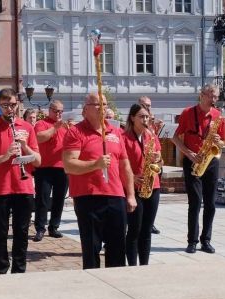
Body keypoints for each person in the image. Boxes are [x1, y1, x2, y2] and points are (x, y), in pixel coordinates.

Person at [62, 92, 137, 269]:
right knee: (91, 248)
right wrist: (95, 164)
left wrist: (131, 194)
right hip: (88, 196)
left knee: (118, 248)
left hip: (115, 195)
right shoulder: (75, 132)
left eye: (104, 104)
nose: (102, 108)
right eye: (97, 105)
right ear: (85, 109)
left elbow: (125, 166)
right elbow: (69, 165)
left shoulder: (116, 132)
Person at [0, 88, 41, 274]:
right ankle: (1, 270)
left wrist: (25, 146)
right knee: (0, 233)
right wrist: (5, 157)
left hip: (24, 188)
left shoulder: (27, 128)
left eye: (13, 105)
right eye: (6, 105)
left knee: (22, 233)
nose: (10, 109)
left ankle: (19, 271)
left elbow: (38, 161)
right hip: (0, 189)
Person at [171, 84, 225, 254]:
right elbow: (175, 138)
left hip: (210, 161)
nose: (213, 100)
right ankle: (192, 241)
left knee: (210, 203)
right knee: (195, 202)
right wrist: (189, 154)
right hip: (192, 161)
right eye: (211, 96)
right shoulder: (188, 113)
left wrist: (218, 141)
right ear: (201, 95)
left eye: (216, 97)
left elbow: (223, 142)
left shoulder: (218, 116)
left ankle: (206, 240)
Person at [122, 104, 162, 266]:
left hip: (153, 185)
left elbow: (161, 162)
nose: (145, 120)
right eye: (141, 116)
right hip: (134, 188)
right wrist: (132, 176)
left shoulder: (151, 136)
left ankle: (144, 265)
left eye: (146, 117)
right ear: (132, 118)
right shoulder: (124, 138)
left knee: (146, 230)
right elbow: (119, 164)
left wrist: (158, 158)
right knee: (134, 230)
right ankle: (132, 266)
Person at [33, 100, 69, 242]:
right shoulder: (42, 124)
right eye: (56, 111)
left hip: (62, 167)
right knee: (43, 198)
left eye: (61, 111)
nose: (59, 114)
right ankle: (40, 228)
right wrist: (55, 127)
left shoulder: (65, 126)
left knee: (59, 199)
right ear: (50, 110)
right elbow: (39, 138)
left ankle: (54, 226)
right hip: (44, 168)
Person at [138, 96, 162, 235]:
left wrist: (158, 158)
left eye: (149, 106)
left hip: (152, 175)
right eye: (144, 105)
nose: (148, 108)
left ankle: (150, 224)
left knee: (146, 230)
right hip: (137, 178)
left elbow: (160, 159)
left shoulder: (151, 130)